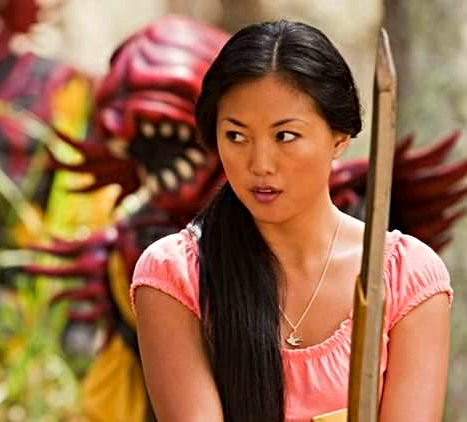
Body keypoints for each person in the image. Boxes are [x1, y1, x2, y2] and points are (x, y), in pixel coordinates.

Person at [130, 20, 453, 422]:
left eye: (284, 136)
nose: (260, 165)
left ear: (339, 139)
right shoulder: (175, 275)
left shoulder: (406, 277)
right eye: (236, 136)